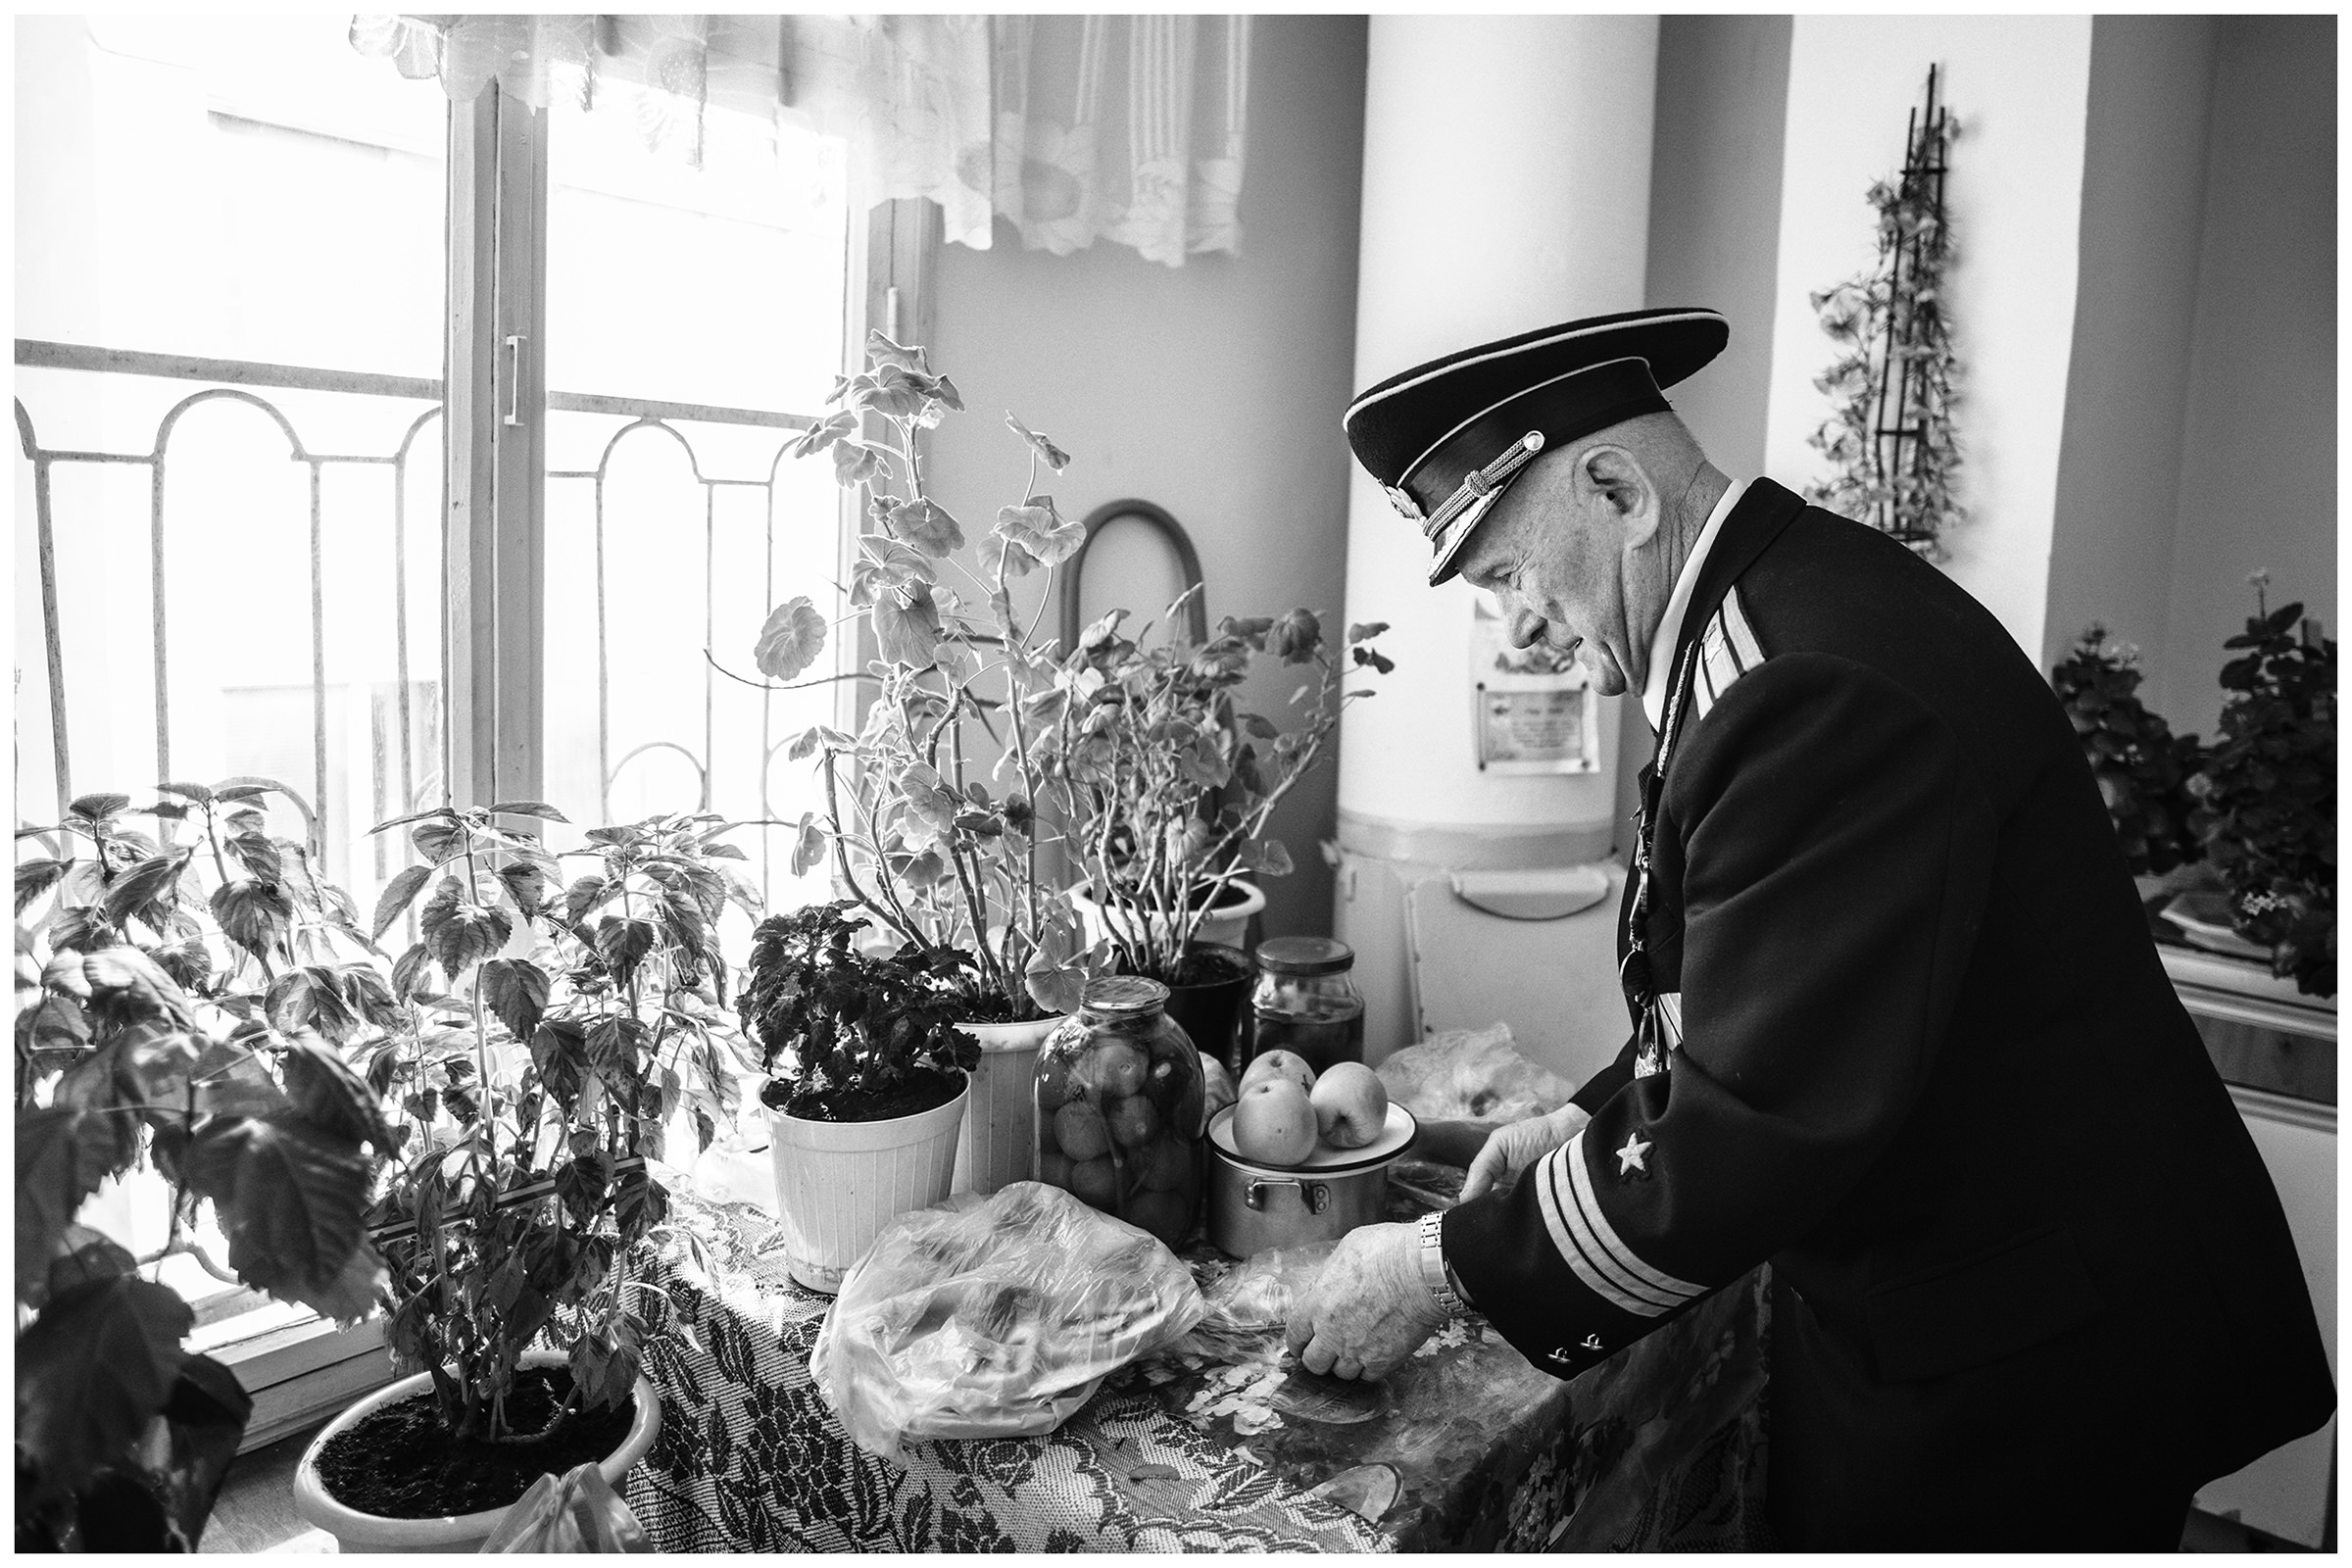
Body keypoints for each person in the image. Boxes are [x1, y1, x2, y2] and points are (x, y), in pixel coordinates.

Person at [1285, 307, 2332, 1549]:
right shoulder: (1784, 605)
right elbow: (1754, 982)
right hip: (1988, 1289)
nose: (1516, 626)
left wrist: (1439, 1267)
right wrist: (1586, 1119)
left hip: (2028, 1346)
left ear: (1616, 487)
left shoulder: (1797, 684)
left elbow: (1749, 1126)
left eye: (1511, 572)